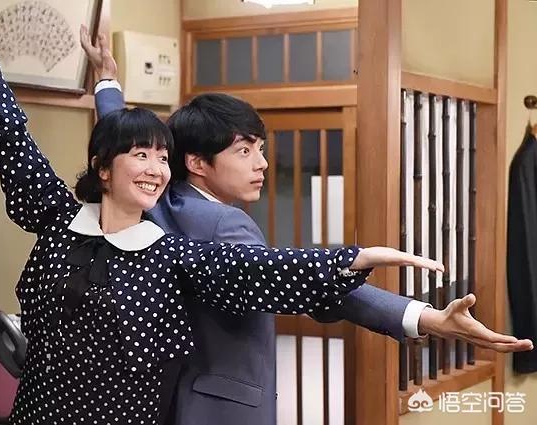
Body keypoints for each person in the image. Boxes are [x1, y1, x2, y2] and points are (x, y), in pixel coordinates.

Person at [0, 1, 447, 424]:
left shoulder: (171, 255)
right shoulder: (57, 218)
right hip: (38, 413)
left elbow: (261, 269)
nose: (156, 168)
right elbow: (9, 136)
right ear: (103, 168)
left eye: (163, 157)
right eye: (142, 155)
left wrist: (355, 258)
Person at [84, 25, 535, 425]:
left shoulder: (159, 201)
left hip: (168, 400)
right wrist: (427, 317)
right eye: (244, 151)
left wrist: (107, 83)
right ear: (197, 163)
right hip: (228, 408)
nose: (262, 164)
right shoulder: (227, 225)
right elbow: (299, 282)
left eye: (261, 149)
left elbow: (121, 142)